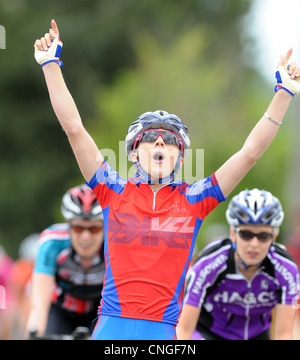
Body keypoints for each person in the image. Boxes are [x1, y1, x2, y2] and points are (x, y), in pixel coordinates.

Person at [33, 19, 300, 340]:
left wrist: (283, 93)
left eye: (170, 139)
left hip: (164, 331)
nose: (160, 142)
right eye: (151, 137)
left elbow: (249, 154)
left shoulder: (195, 200)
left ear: (181, 157)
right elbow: (75, 128)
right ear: (133, 153)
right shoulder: (112, 190)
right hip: (112, 326)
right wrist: (50, 65)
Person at [176, 189, 299, 340]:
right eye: (246, 235)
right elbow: (183, 330)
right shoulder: (210, 262)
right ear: (233, 234)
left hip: (257, 336)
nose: (254, 244)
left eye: (263, 236)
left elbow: (283, 334)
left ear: (273, 237)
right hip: (210, 333)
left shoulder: (285, 268)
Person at [26, 184, 105, 337]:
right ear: (68, 226)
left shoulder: (115, 244)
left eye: (94, 229)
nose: (86, 237)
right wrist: (34, 332)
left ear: (104, 227)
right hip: (62, 310)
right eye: (78, 228)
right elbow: (39, 304)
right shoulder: (52, 243)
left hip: (100, 311)